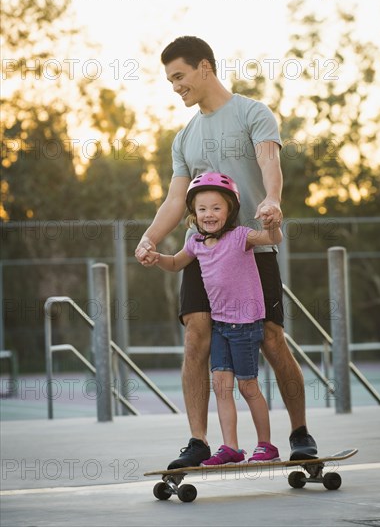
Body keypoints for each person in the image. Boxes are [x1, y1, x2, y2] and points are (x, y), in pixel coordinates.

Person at [135, 36, 318, 468]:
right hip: (204, 254)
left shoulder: (252, 113)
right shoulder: (184, 137)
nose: (175, 86)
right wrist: (148, 238)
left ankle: (299, 433)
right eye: (169, 80)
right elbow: (176, 200)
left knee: (272, 340)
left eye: (179, 76)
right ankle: (199, 440)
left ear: (204, 67)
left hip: (252, 249)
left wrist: (272, 200)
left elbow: (269, 162)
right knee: (196, 336)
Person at [143, 173, 282, 465]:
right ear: (194, 213)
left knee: (247, 387)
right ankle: (230, 447)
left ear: (230, 210)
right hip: (220, 325)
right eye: (202, 209)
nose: (209, 214)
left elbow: (270, 238)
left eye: (216, 208)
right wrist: (156, 258)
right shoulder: (194, 243)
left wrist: (273, 225)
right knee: (220, 385)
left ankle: (266, 445)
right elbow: (175, 263)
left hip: (246, 326)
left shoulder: (241, 237)